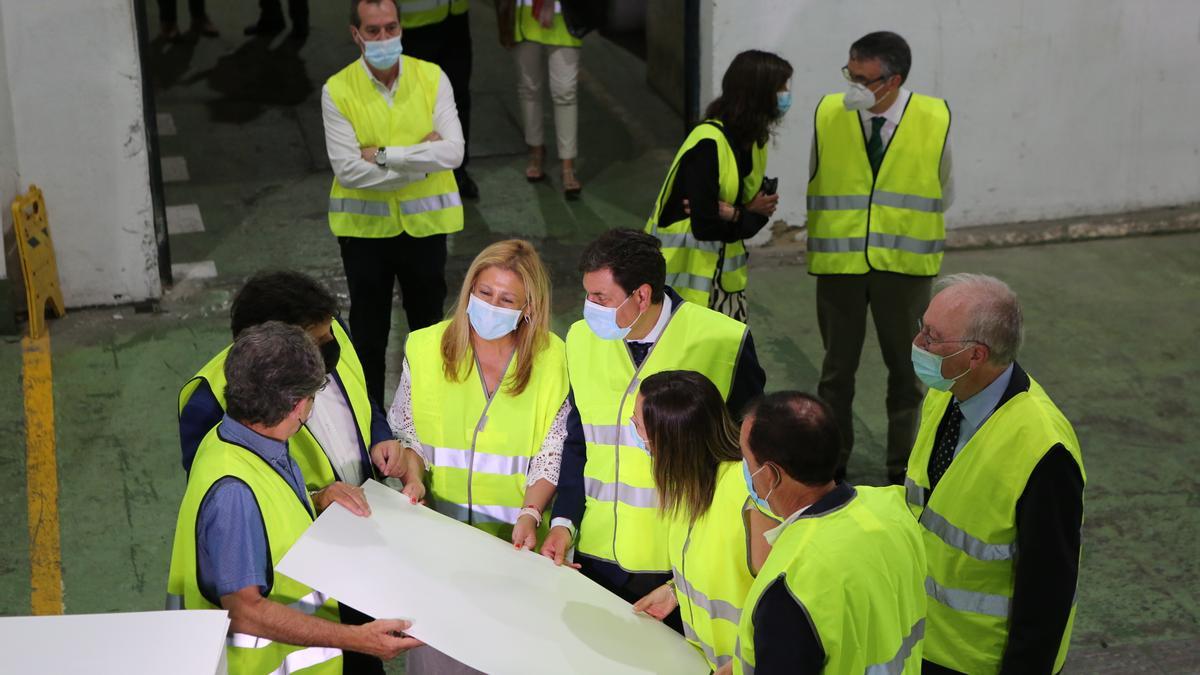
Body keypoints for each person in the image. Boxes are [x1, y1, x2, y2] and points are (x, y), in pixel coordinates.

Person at [178, 271, 407, 674]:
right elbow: (245, 605)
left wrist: (317, 498)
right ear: (297, 404)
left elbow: (275, 502)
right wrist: (357, 640)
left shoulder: (248, 435)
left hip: (341, 571)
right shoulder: (232, 487)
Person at [540, 229, 766, 631]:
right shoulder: (579, 338)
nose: (588, 307)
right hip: (591, 555)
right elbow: (579, 441)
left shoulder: (723, 342)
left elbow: (745, 470)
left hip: (672, 567)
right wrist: (563, 522)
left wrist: (683, 581)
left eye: (601, 298)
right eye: (587, 294)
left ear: (641, 296)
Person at [387, 240, 569, 674]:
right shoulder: (425, 347)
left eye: (507, 299)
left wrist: (531, 512)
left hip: (515, 547)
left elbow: (552, 451)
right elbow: (408, 429)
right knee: (438, 657)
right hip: (438, 545)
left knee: (510, 656)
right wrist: (412, 477)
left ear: (528, 307)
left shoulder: (552, 358)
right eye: (484, 293)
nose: (491, 305)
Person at [904, 274, 1085, 674]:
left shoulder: (1044, 450)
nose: (919, 345)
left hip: (977, 662)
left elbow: (1047, 592)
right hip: (919, 639)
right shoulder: (945, 393)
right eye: (922, 329)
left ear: (976, 355)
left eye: (932, 337)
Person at [805, 31, 954, 484]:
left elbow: (944, 189)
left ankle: (903, 465)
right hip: (840, 267)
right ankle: (833, 461)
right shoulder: (828, 112)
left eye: (865, 79)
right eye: (850, 74)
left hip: (903, 270)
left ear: (894, 80)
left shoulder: (934, 118)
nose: (854, 85)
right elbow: (816, 176)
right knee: (836, 373)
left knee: (909, 373)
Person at [323, 0, 466, 406]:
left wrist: (385, 155)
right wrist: (422, 161)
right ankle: (373, 424)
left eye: (390, 28)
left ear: (401, 27)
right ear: (356, 35)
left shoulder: (432, 78)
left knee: (426, 334)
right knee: (369, 338)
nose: (384, 38)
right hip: (365, 236)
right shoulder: (337, 90)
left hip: (425, 231)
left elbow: (453, 152)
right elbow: (349, 171)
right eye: (373, 31)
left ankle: (425, 416)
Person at [727, 391, 926, 675]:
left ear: (771, 475)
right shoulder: (894, 511)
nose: (744, 469)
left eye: (746, 460)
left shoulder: (790, 583)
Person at [178, 271, 406, 492]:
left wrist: (381, 438)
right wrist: (316, 500)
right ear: (272, 349)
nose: (331, 344)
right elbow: (225, 492)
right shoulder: (209, 404)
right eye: (316, 341)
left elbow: (362, 396)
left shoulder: (329, 329)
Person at [629, 371, 776, 670]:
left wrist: (745, 665)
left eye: (638, 426)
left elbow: (786, 607)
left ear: (667, 440)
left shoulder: (749, 499)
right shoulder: (688, 487)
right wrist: (675, 591)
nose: (633, 432)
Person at [645, 50, 791, 320]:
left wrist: (736, 212)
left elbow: (760, 216)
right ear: (759, 93)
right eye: (781, 88)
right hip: (683, 289)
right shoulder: (708, 144)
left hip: (723, 286)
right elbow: (706, 224)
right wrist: (742, 212)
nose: (786, 95)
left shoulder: (753, 142)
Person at [501, 0, 584, 198]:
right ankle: (536, 150)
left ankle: (567, 164)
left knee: (565, 92)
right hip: (525, 17)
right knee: (529, 88)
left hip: (565, 18)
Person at [397, 0, 479, 199]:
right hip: (412, 25)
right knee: (414, 104)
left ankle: (456, 173)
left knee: (457, 98)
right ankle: (418, 173)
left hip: (455, 16)